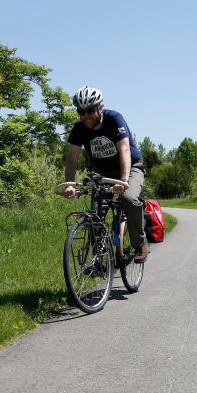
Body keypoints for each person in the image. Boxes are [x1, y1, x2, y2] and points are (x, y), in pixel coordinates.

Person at [61, 86, 148, 262]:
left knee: (128, 199)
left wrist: (123, 181)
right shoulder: (79, 128)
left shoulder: (114, 119)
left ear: (100, 107)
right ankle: (100, 261)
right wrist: (69, 184)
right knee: (94, 215)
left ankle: (140, 243)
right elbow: (72, 159)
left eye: (90, 111)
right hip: (102, 173)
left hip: (130, 168)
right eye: (81, 111)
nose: (85, 116)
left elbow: (124, 150)